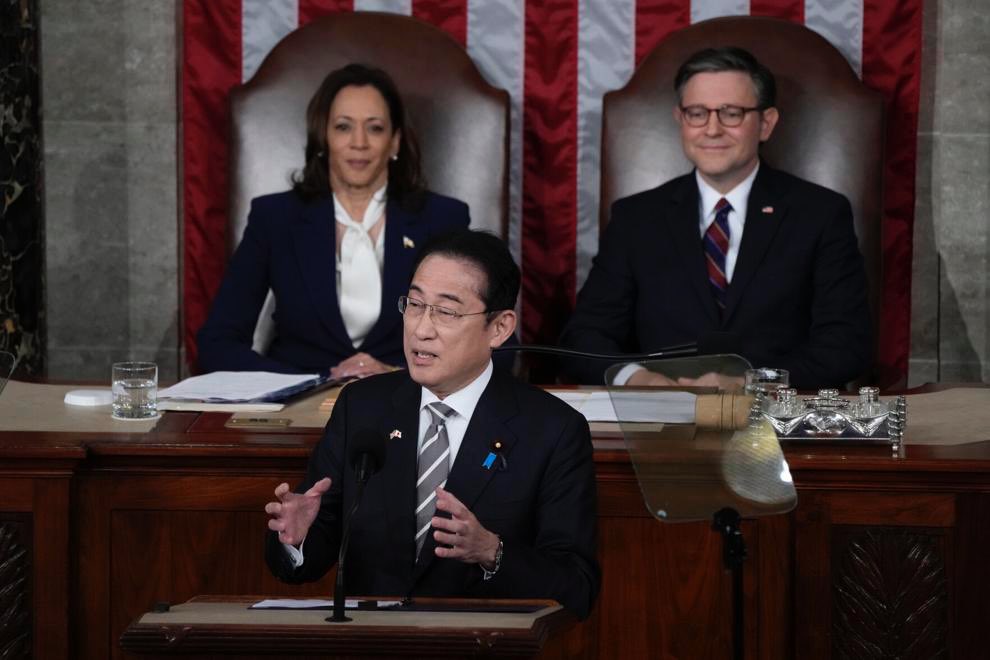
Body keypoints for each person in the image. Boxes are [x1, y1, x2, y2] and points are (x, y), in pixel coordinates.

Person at [264, 229, 600, 619]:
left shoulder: (553, 430)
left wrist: (492, 552)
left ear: (500, 328)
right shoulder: (362, 407)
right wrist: (298, 538)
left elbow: (578, 587)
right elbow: (308, 557)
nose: (421, 329)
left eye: (446, 311)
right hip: (372, 645)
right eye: (415, 304)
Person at [560, 46, 872, 390]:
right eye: (697, 113)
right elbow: (585, 337)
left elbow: (846, 345)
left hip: (775, 422)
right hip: (660, 422)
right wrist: (637, 378)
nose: (712, 129)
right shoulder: (636, 218)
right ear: (680, 119)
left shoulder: (820, 213)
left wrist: (751, 384)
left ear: (766, 123)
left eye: (731, 113)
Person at [197, 64, 470, 379]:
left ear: (394, 142)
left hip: (408, 402)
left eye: (375, 128)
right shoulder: (274, 218)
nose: (359, 142)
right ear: (323, 137)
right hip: (299, 407)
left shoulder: (442, 219)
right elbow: (217, 343)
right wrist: (311, 383)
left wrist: (396, 375)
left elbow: (494, 345)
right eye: (343, 126)